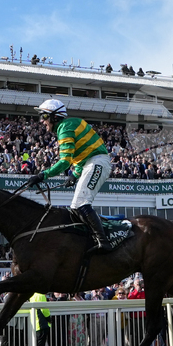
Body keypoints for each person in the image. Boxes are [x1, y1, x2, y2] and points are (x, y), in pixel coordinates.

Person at [25, 99, 112, 253]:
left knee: (81, 203)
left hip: (97, 162)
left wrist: (42, 175)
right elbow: (83, 153)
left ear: (54, 117)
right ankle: (92, 239)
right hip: (93, 161)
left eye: (44, 116)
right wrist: (75, 174)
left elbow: (65, 161)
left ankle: (103, 242)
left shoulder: (64, 128)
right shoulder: (71, 123)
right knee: (75, 206)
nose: (42, 121)